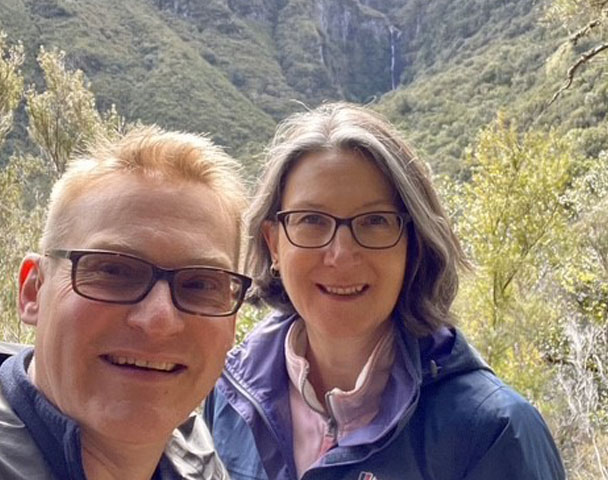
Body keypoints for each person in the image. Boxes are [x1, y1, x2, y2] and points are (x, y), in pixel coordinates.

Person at [204, 102, 565, 480]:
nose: (341, 254)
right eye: (311, 219)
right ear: (274, 244)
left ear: (412, 245)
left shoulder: (491, 432)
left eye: (375, 221)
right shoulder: (230, 395)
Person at [0, 125, 252, 479]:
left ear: (231, 324)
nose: (159, 320)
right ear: (34, 291)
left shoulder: (195, 453)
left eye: (202, 284)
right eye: (113, 270)